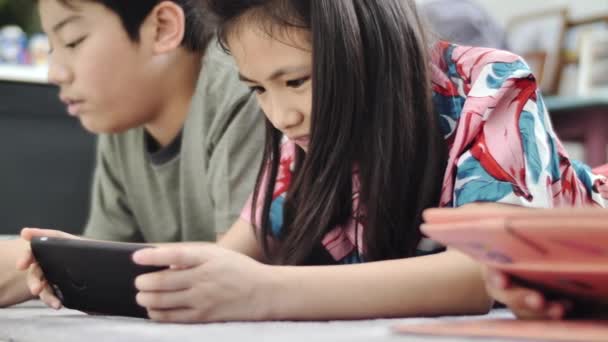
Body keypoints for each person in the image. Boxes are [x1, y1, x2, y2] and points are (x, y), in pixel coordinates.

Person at [20, 0, 607, 322]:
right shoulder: (302, 139)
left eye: (294, 81)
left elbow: (482, 272)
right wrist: (85, 273)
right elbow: (227, 256)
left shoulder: (488, 82)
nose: (280, 115)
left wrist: (265, 291)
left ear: (364, 43)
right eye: (257, 89)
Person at [0, 0, 264, 307]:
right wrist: (42, 261)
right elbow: (101, 258)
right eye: (51, 47)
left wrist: (43, 260)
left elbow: (230, 269)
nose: (54, 73)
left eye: (73, 41)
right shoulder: (125, 114)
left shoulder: (248, 84)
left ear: (162, 27)